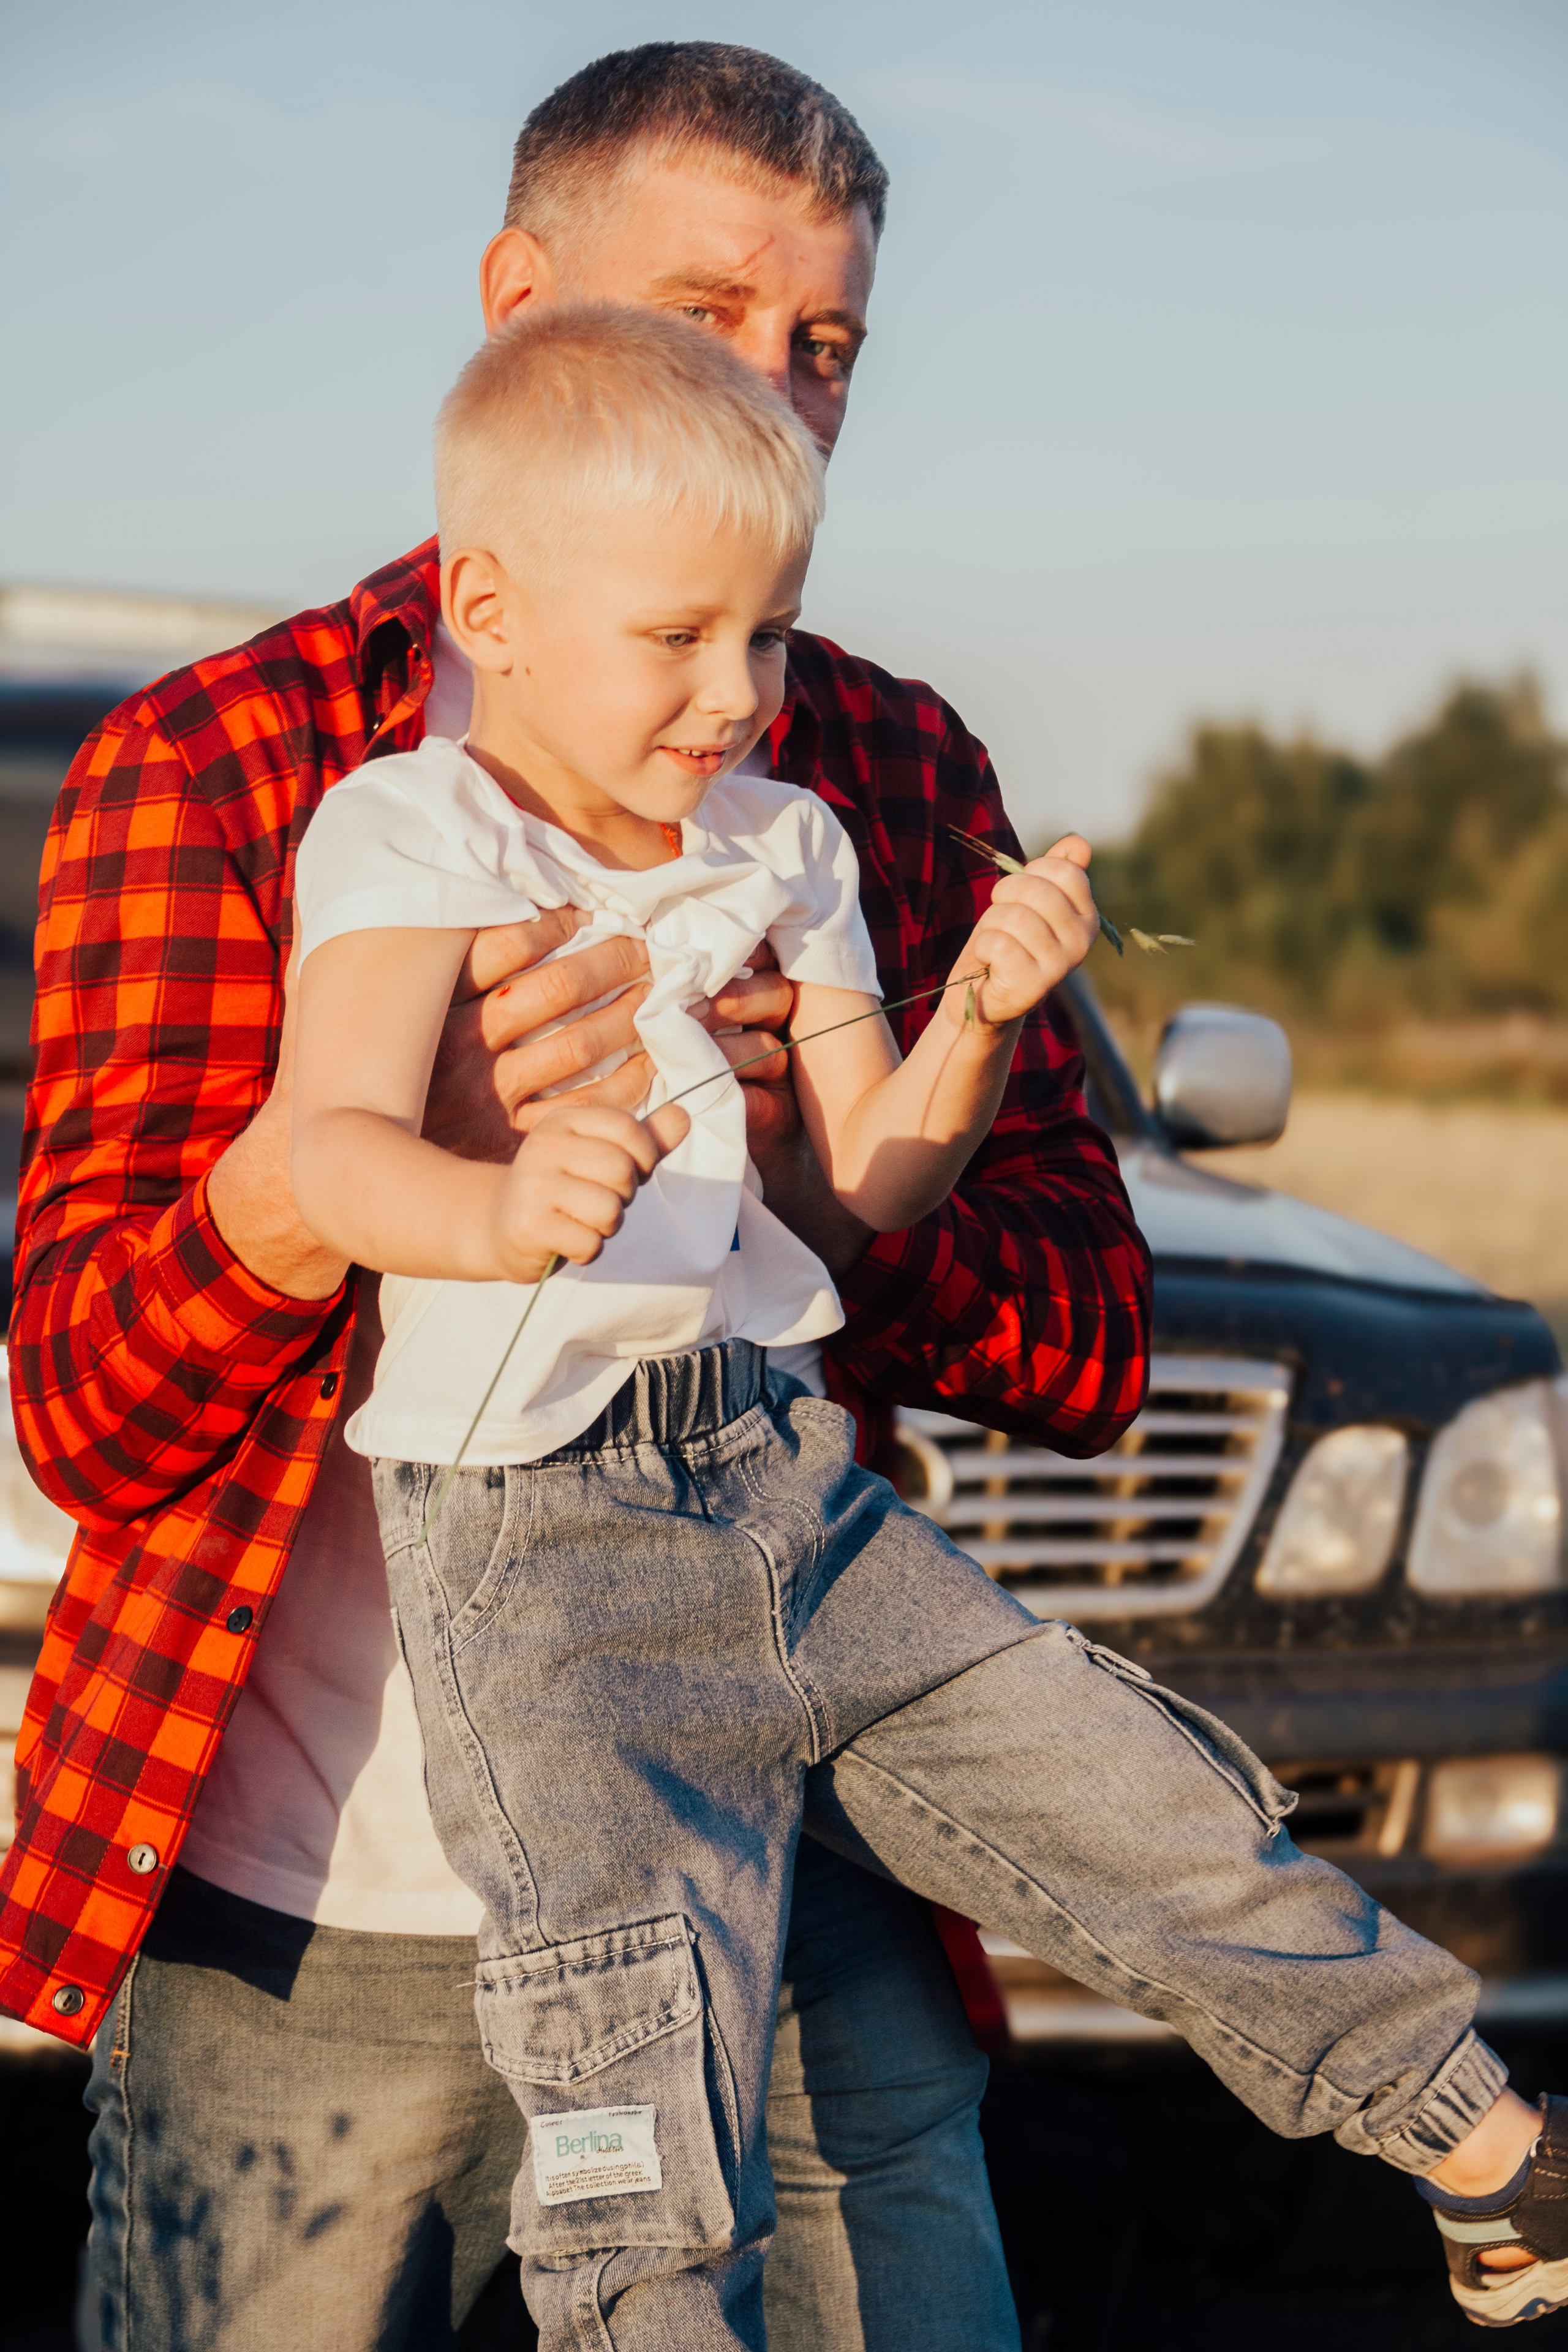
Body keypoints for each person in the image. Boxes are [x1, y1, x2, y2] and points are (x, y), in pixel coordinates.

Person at [2, 44, 1148, 2352]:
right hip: (325, 1919)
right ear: (516, 310)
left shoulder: (883, 770)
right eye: (710, 316)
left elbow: (1091, 1341)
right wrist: (366, 1168)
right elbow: (86, 1415)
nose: (784, 394)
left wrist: (824, 1189)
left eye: (825, 347)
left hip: (796, 1869)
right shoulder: (233, 759)